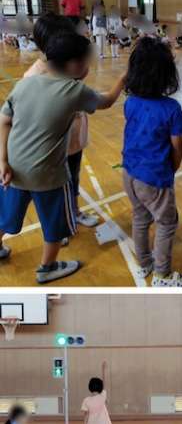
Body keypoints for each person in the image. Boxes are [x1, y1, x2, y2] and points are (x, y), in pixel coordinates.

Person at [0, 31, 126, 283]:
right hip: (49, 175)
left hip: (13, 169)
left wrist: (2, 161)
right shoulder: (74, 90)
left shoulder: (25, 83)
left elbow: (4, 121)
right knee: (55, 224)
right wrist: (123, 78)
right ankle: (47, 268)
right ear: (75, 64)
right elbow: (107, 101)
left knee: (6, 216)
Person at [122, 36, 182, 287]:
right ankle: (162, 274)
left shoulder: (130, 102)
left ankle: (144, 263)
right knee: (167, 222)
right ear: (167, 74)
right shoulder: (171, 108)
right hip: (154, 177)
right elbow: (178, 146)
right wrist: (172, 169)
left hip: (129, 173)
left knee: (140, 217)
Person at [24, 12, 99, 232]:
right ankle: (57, 225)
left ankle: (74, 211)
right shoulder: (34, 76)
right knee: (51, 189)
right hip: (51, 145)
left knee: (73, 177)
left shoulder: (67, 66)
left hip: (73, 138)